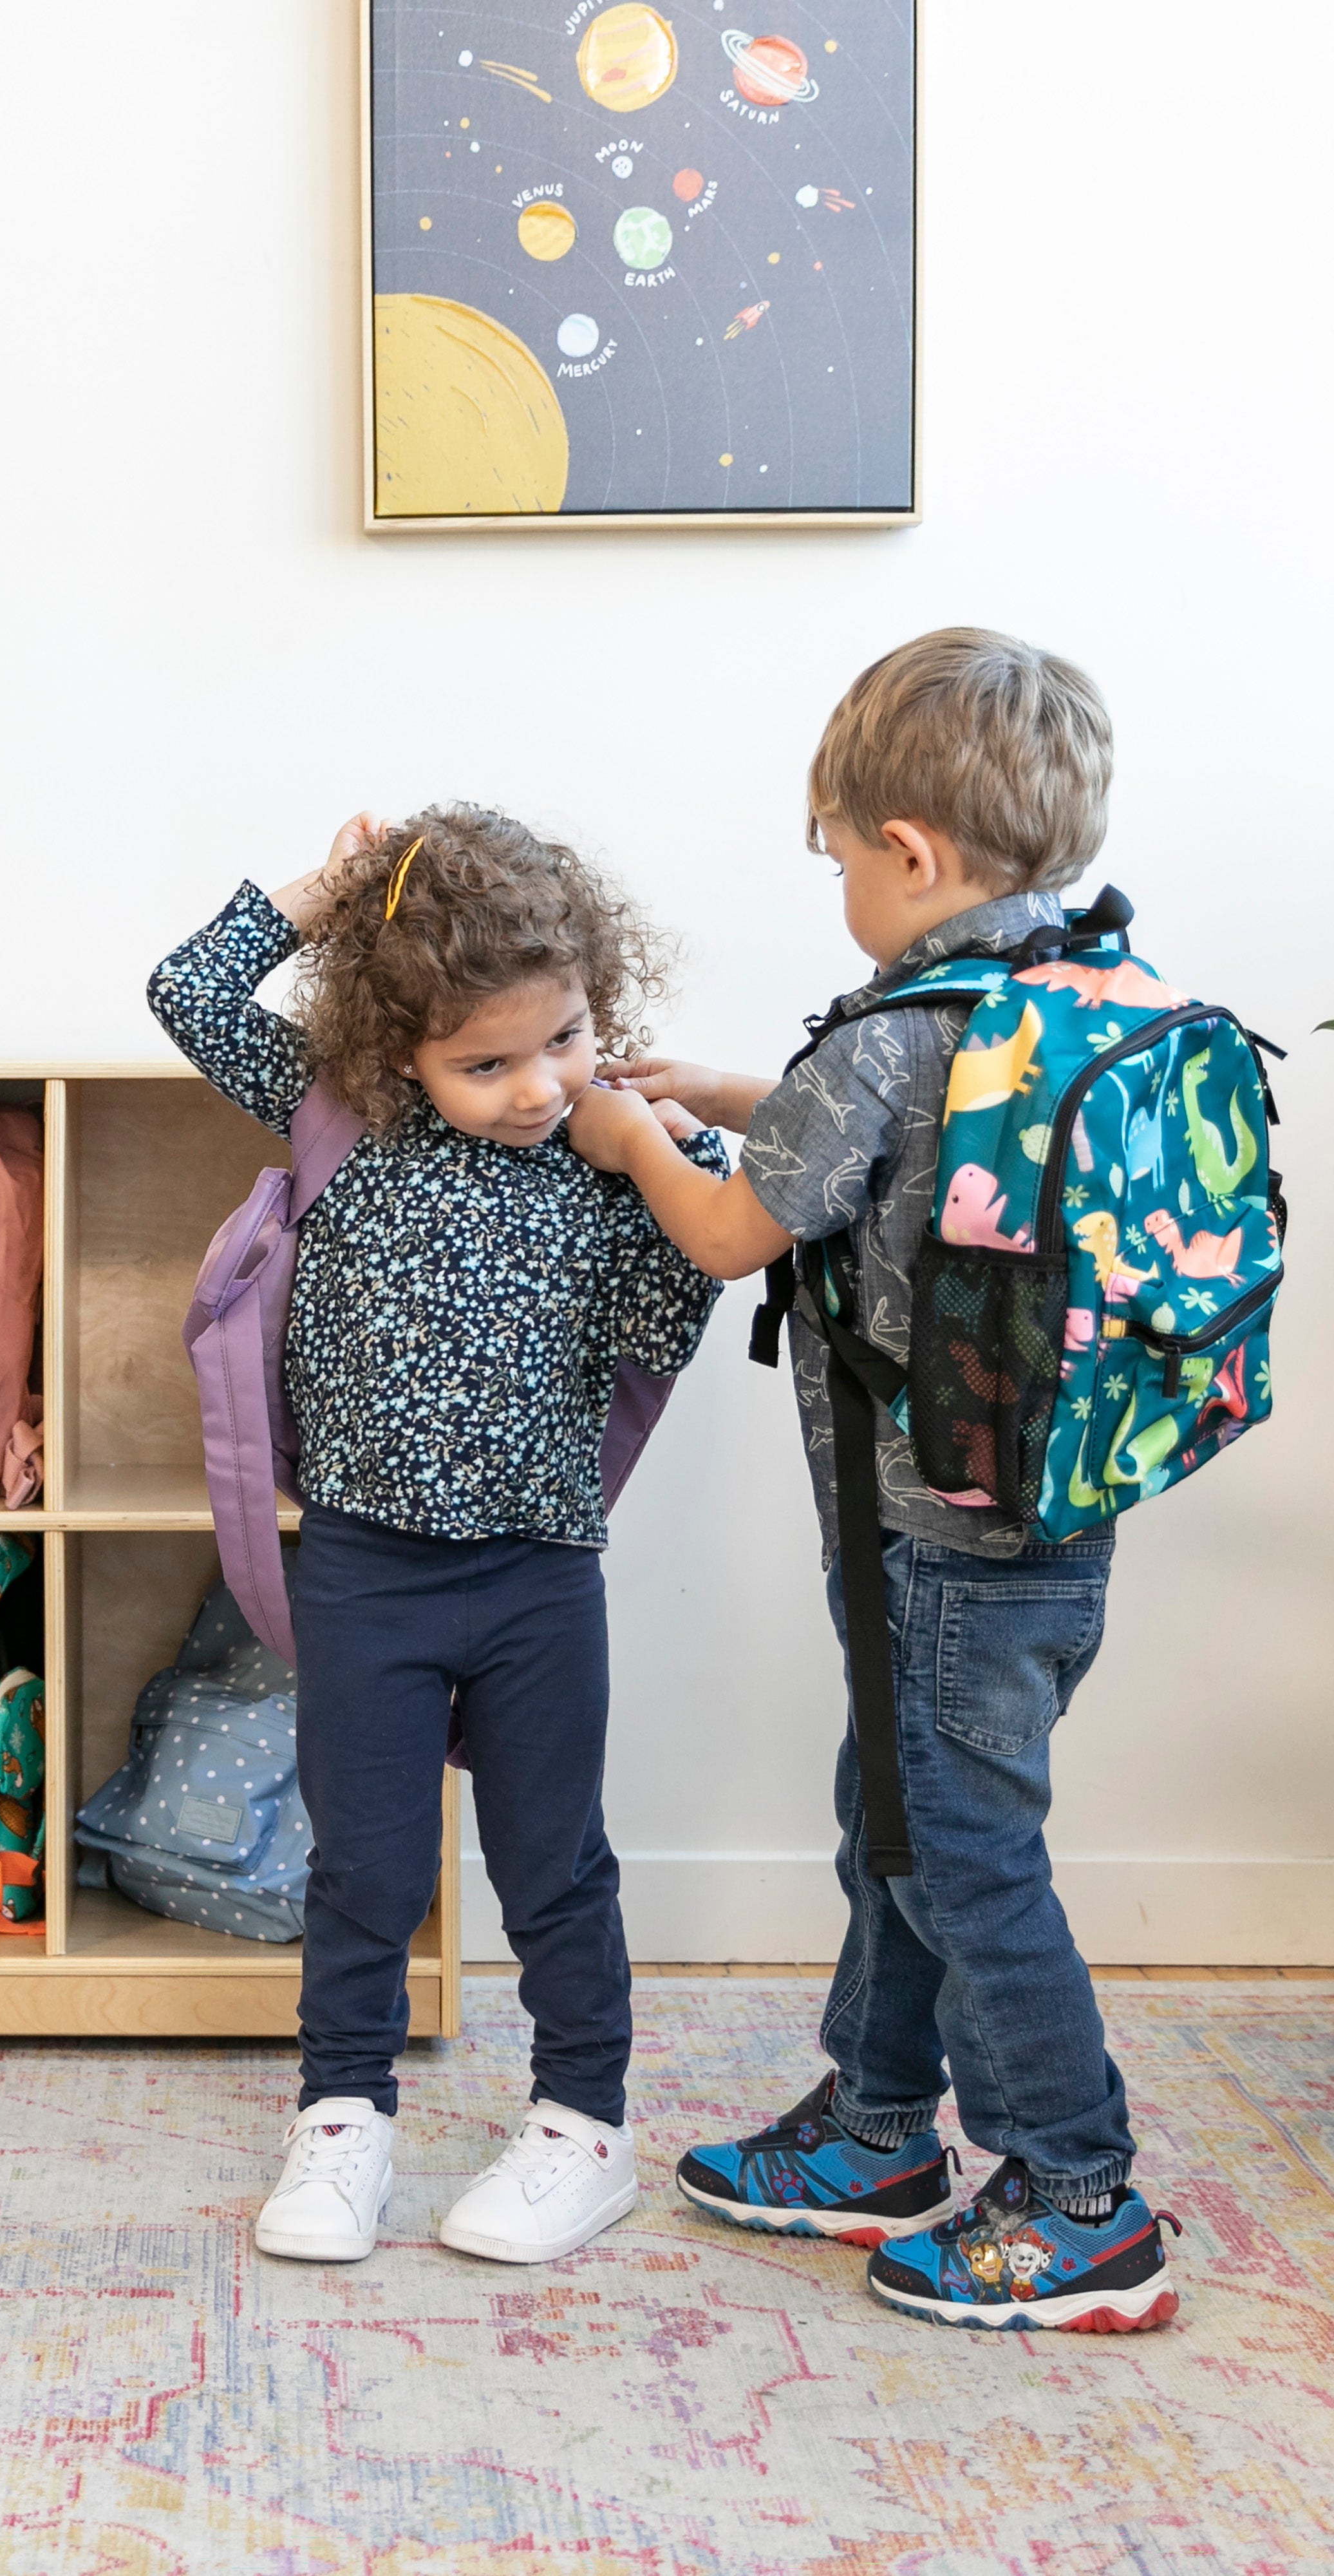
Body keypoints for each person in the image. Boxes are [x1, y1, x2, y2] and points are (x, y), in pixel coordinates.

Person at [564, 627, 1182, 2332]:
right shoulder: (1069, 997)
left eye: (834, 851)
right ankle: (882, 2128)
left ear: (906, 852)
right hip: (1049, 1530)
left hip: (932, 1549)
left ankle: (1081, 2200)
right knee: (899, 1827)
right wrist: (730, 1090)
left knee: (958, 1859)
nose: (837, 879)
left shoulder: (896, 1033)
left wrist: (633, 1136)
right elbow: (915, 1165)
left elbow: (725, 1224)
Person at [147, 805, 724, 2266]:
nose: (537, 1088)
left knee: (552, 1860)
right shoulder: (330, 1109)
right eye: (485, 1061)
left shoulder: (625, 1163)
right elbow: (190, 988)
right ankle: (341, 2117)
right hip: (363, 1570)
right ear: (393, 1046)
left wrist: (648, 1141)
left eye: (565, 1041)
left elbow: (708, 1265)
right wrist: (339, 887)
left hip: (536, 1573)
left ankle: (580, 2124)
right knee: (363, 1861)